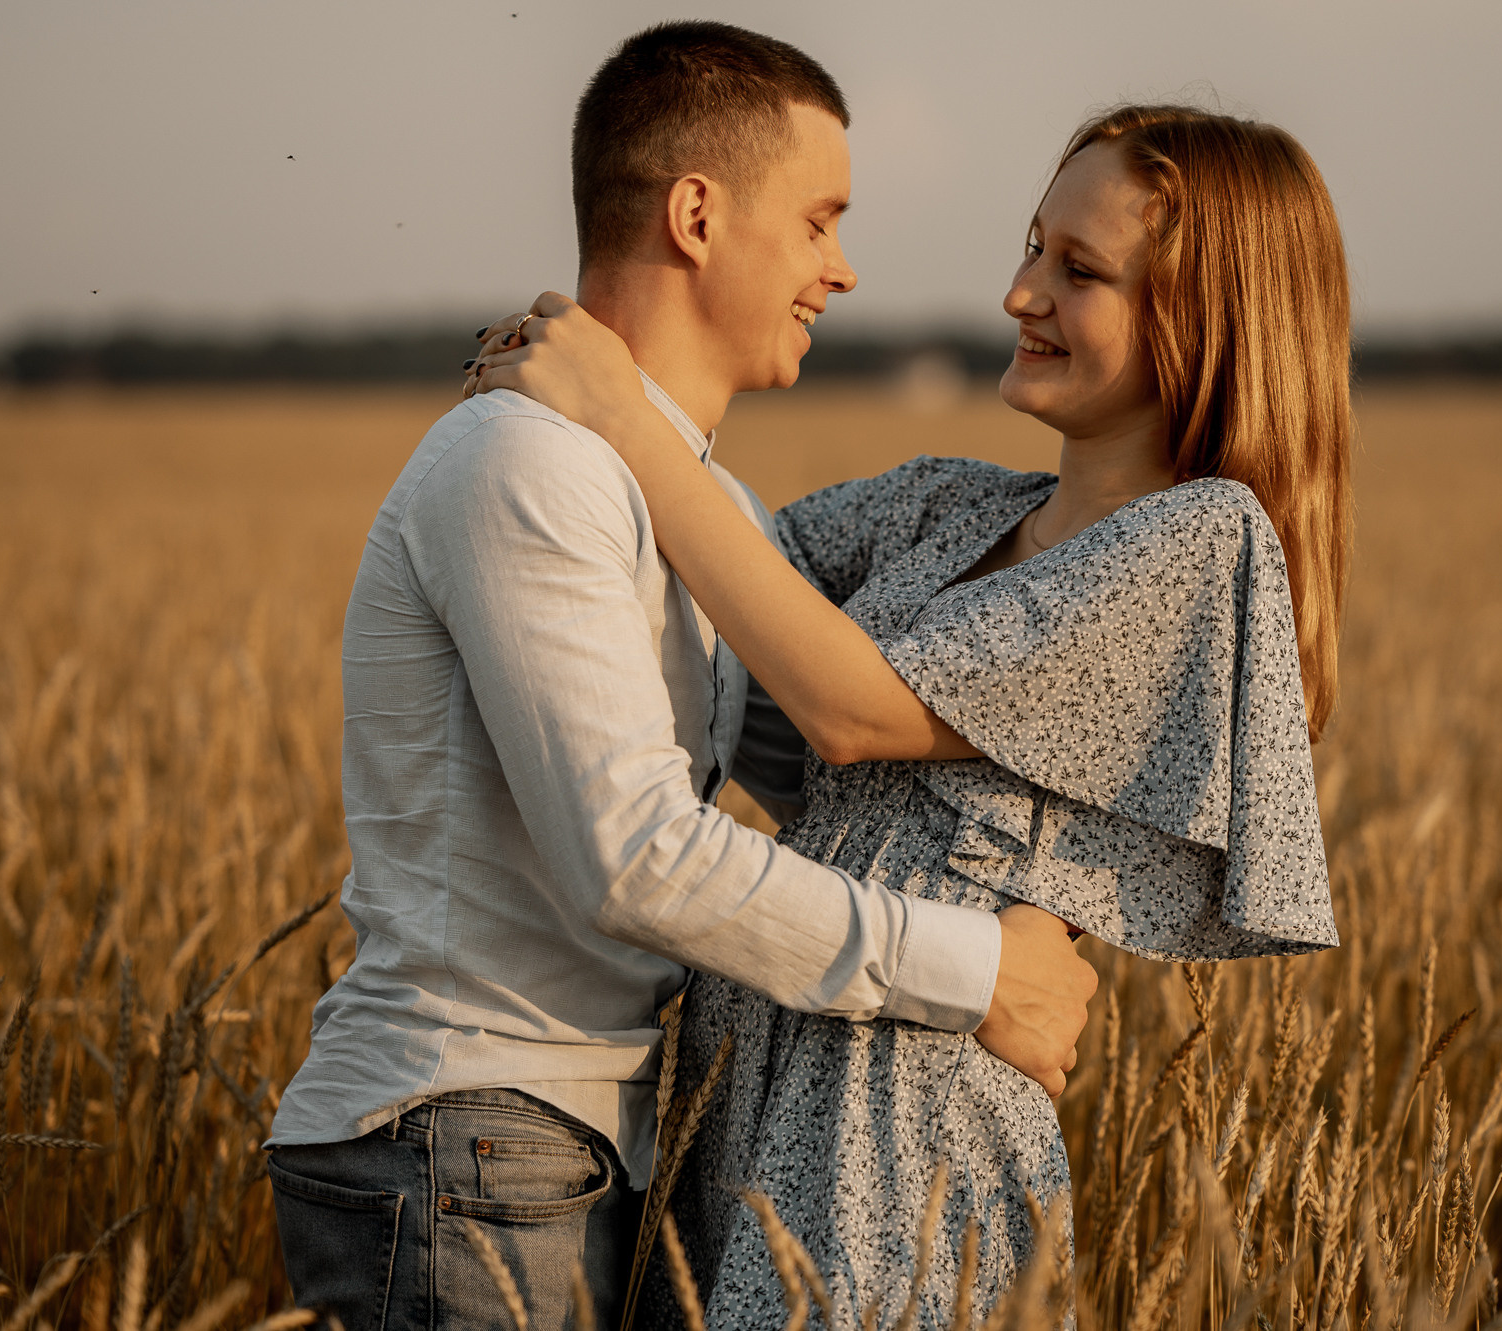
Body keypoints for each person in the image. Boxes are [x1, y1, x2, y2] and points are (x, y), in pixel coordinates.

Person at [264, 23, 1098, 1331]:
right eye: (819, 220)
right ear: (697, 215)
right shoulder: (526, 465)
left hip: (563, 1150)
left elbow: (842, 776)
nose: (842, 268)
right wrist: (975, 968)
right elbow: (636, 859)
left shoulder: (704, 510)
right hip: (459, 1141)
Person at [469, 103, 1352, 1326]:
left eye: (1079, 271)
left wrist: (615, 409)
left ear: (1207, 319)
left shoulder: (1197, 543)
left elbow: (847, 709)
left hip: (904, 1113)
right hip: (746, 1071)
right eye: (1032, 248)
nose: (1020, 293)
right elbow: (713, 571)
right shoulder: (946, 505)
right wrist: (575, 408)